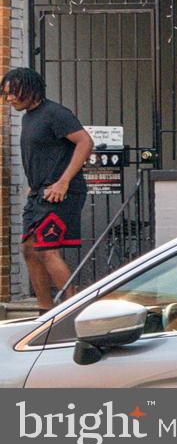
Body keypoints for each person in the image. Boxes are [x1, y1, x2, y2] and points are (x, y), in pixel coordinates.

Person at [3, 67, 93, 310]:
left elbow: (85, 142)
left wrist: (63, 181)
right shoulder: (28, 117)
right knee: (29, 249)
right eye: (6, 94)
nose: (9, 98)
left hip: (62, 192)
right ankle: (44, 312)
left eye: (13, 93)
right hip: (40, 193)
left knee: (47, 249)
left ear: (29, 89)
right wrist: (34, 184)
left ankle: (73, 309)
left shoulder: (55, 113)